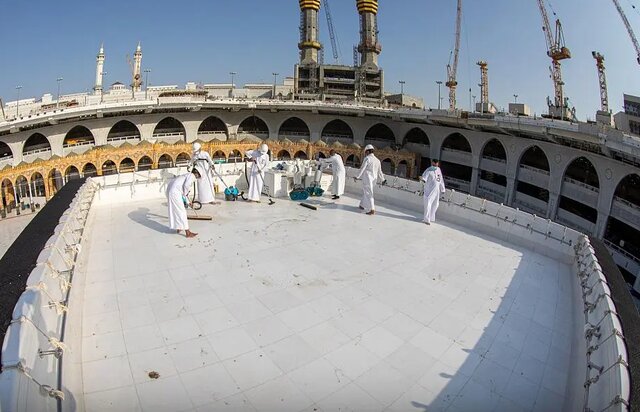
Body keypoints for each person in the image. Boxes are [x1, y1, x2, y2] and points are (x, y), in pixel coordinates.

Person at [167, 168, 201, 238]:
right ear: (197, 174)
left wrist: (188, 202)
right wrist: (186, 195)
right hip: (175, 192)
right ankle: (187, 232)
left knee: (175, 210)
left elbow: (184, 191)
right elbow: (186, 186)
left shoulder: (186, 175)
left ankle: (178, 227)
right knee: (182, 211)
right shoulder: (192, 176)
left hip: (170, 190)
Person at [355, 144, 385, 215]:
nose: (365, 154)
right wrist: (383, 179)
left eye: (365, 152)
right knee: (367, 192)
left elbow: (362, 168)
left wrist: (357, 176)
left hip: (368, 178)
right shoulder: (377, 160)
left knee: (369, 193)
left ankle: (372, 209)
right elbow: (380, 172)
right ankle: (362, 205)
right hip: (374, 180)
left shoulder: (367, 158)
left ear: (367, 152)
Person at [421, 159, 446, 225]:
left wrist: (442, 189)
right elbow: (423, 179)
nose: (435, 164)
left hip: (436, 190)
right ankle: (426, 219)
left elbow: (441, 179)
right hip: (429, 190)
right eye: (434, 163)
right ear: (432, 163)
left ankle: (431, 217)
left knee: (436, 204)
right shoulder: (428, 170)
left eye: (436, 163)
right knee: (428, 204)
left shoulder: (438, 170)